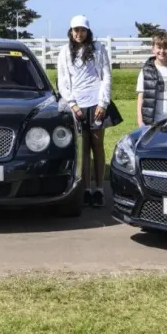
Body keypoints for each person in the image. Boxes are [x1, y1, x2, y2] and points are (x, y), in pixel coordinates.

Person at [55, 15, 112, 207]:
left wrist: (103, 103)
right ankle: (86, 189)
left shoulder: (99, 49)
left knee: (98, 146)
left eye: (82, 30)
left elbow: (106, 76)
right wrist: (72, 104)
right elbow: (62, 80)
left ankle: (100, 190)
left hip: (96, 103)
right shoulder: (64, 52)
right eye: (75, 30)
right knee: (84, 149)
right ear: (71, 32)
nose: (79, 34)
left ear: (88, 31)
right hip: (78, 105)